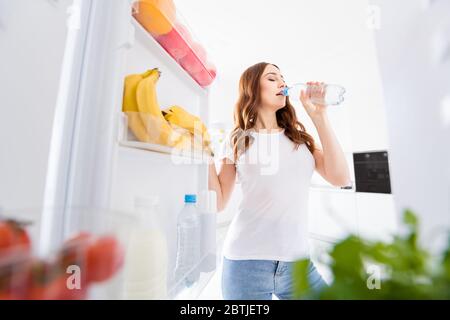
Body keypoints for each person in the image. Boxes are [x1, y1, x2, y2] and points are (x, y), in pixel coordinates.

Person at [208, 62, 351, 300]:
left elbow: (340, 178)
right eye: (272, 78)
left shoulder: (300, 139)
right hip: (245, 263)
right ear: (252, 88)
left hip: (298, 266)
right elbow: (219, 202)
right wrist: (204, 156)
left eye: (283, 78)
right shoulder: (237, 140)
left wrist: (319, 116)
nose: (283, 83)